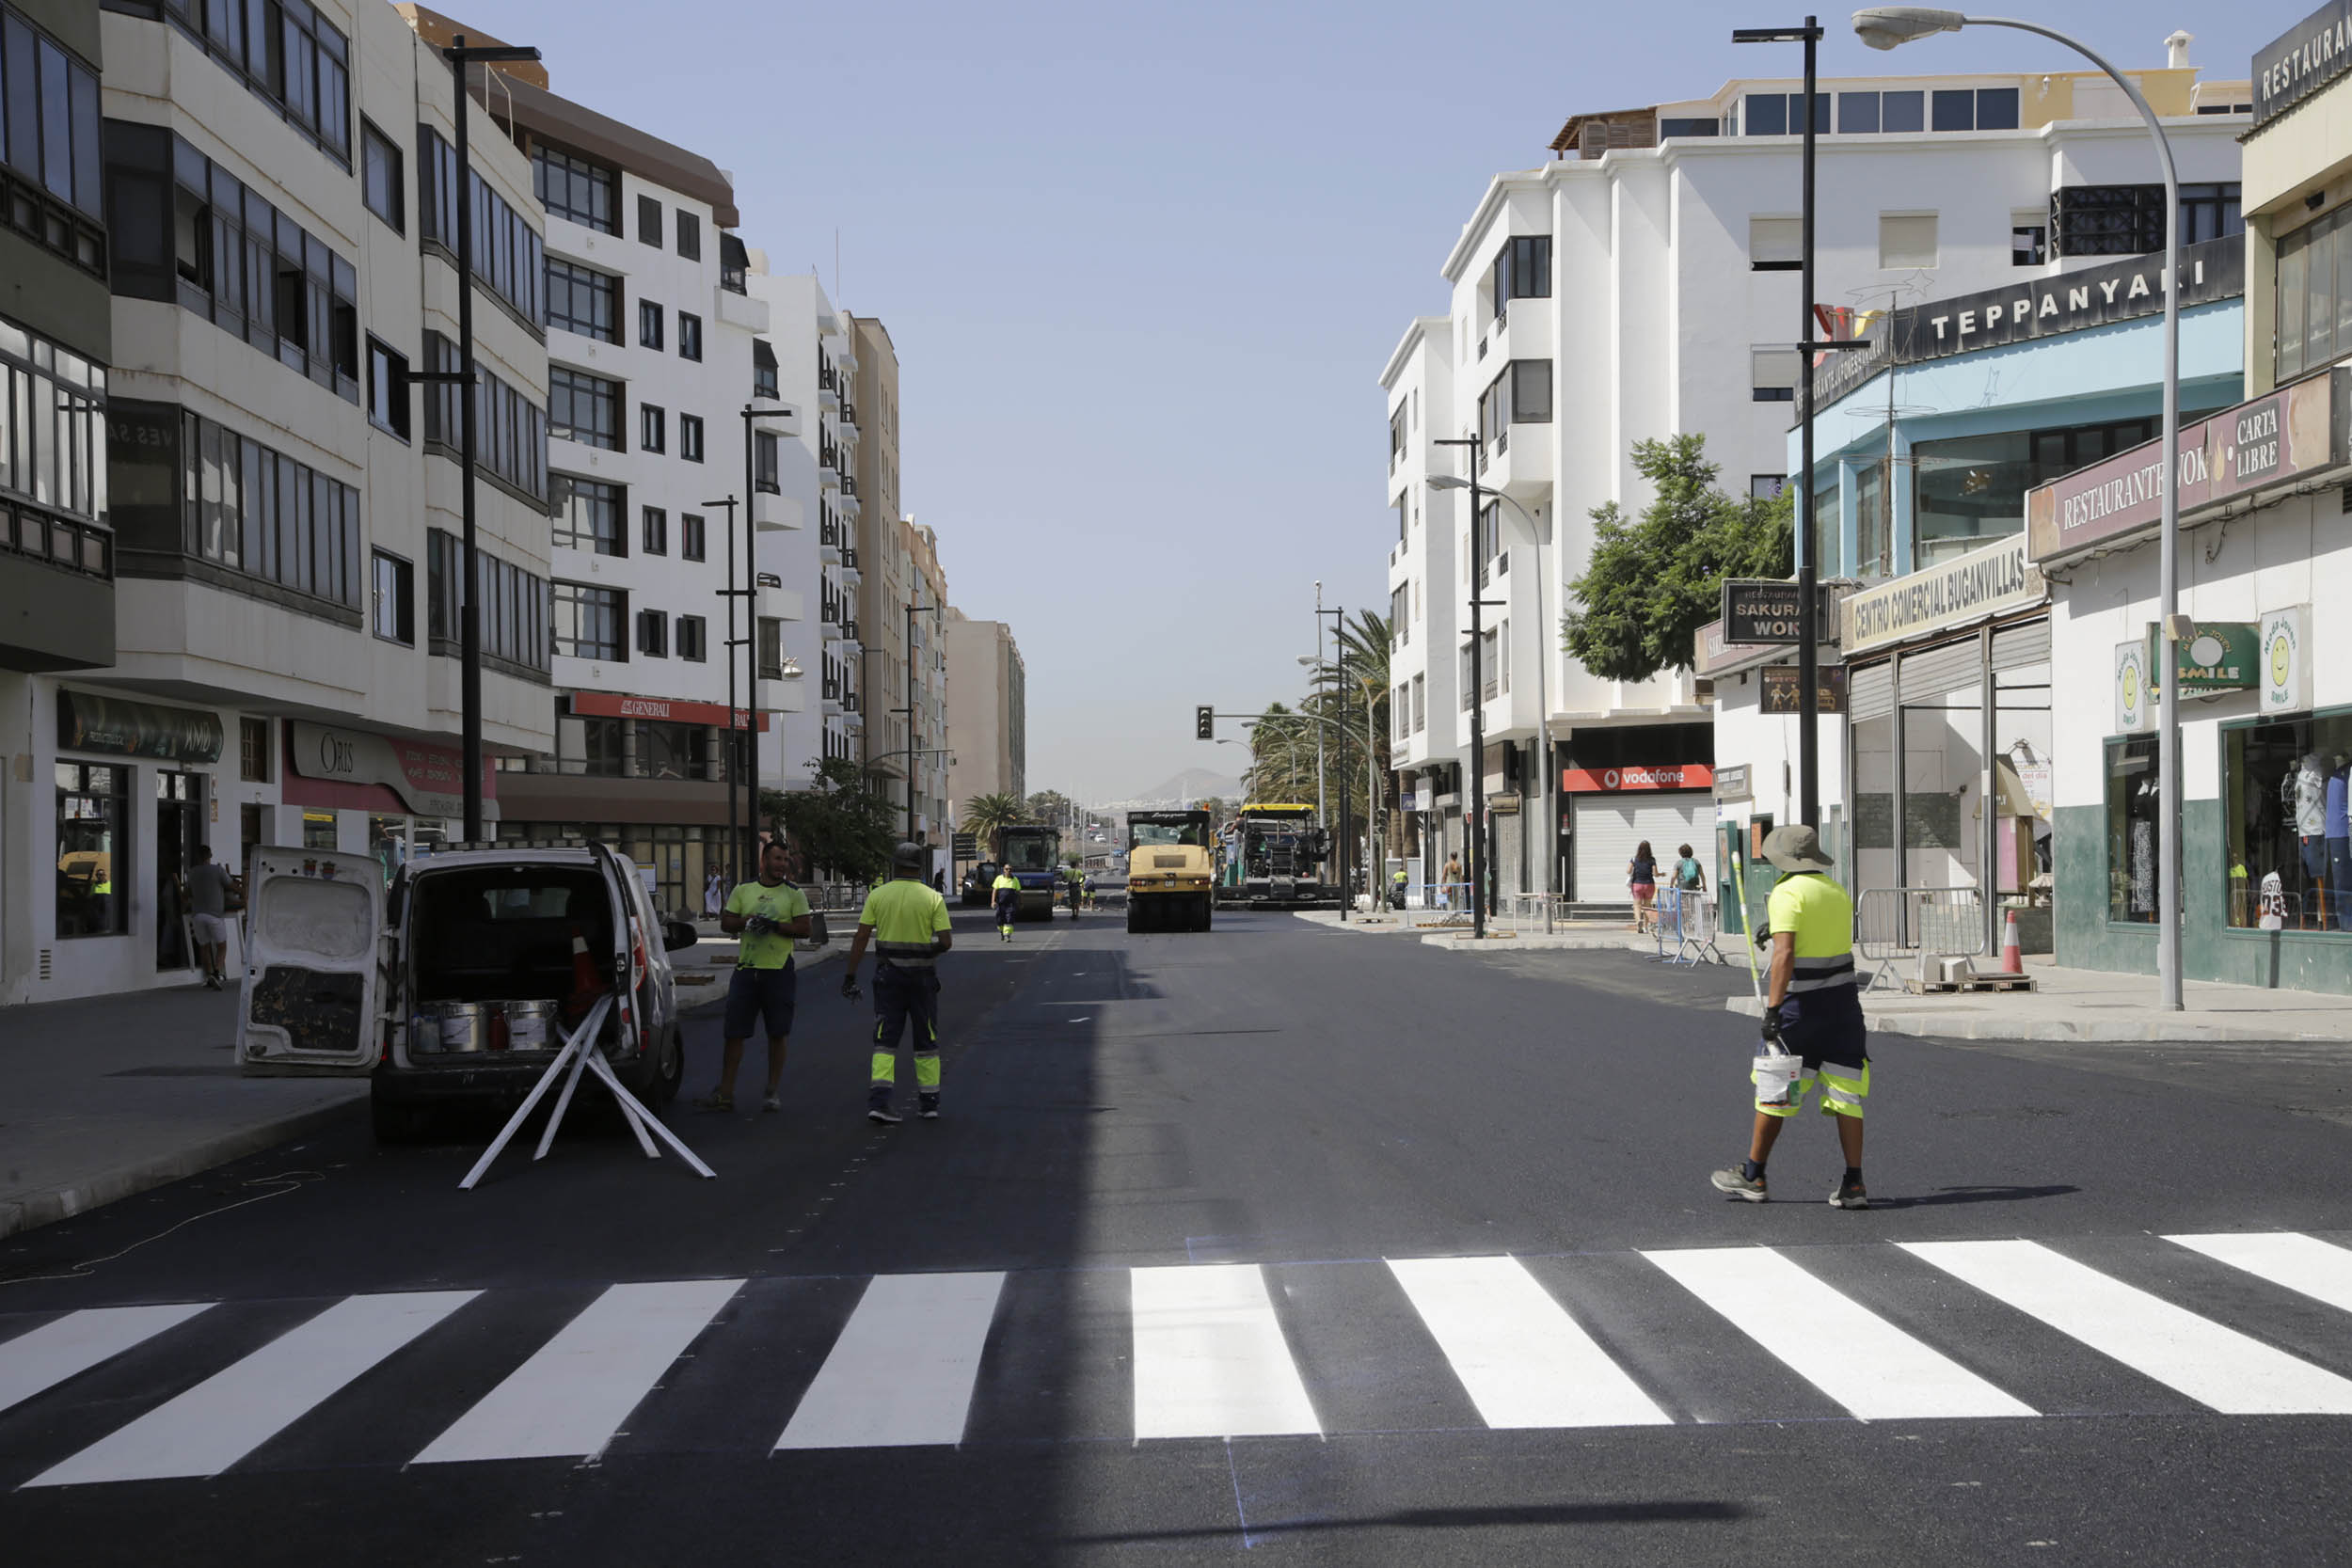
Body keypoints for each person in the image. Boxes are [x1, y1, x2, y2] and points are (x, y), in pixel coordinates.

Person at [1711, 824, 1869, 1210]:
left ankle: (1753, 1175)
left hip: (1801, 1009)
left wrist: (1772, 1009)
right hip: (1844, 1009)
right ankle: (1854, 1184)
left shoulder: (1787, 892)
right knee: (1846, 1096)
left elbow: (1785, 955)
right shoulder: (1837, 892)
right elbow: (1820, 936)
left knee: (1775, 1088)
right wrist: (1778, 929)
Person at [840, 841, 954, 1123]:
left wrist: (850, 975)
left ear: (895, 865)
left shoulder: (878, 895)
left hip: (888, 977)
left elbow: (861, 937)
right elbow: (945, 941)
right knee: (926, 1038)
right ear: (920, 866)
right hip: (922, 979)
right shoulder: (932, 898)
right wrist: (925, 952)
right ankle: (929, 1103)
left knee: (885, 1040)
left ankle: (880, 1102)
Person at [699, 839, 813, 1115]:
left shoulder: (794, 894)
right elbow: (727, 922)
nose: (782, 865)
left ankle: (772, 1091)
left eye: (785, 860)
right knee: (734, 1033)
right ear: (764, 861)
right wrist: (747, 922)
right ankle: (726, 1093)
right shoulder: (743, 889)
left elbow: (804, 928)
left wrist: (774, 925)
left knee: (777, 1033)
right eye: (777, 859)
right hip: (747, 971)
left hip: (779, 971)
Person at [184, 844, 242, 990]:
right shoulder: (218, 870)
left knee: (204, 947)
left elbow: (187, 894)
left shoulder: (192, 872)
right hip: (214, 915)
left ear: (197, 857)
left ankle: (209, 975)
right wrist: (244, 891)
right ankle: (216, 974)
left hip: (197, 915)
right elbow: (232, 886)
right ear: (210, 856)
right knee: (222, 946)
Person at [1628, 841, 1659, 933]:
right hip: (1649, 885)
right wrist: (1661, 874)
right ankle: (1645, 927)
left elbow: (1628, 871)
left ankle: (1638, 921)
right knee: (1647, 906)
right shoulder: (1652, 860)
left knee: (1637, 905)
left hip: (1637, 884)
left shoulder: (1634, 859)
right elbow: (1655, 874)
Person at [992, 864, 1021, 942]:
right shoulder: (999, 878)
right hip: (1000, 904)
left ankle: (1007, 935)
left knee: (1009, 919)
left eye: (1010, 869)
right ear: (1004, 870)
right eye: (1007, 869)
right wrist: (993, 901)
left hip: (1011, 904)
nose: (1008, 871)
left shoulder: (1015, 879)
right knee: (999, 920)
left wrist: (1020, 902)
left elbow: (1018, 892)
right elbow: (995, 890)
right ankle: (1002, 932)